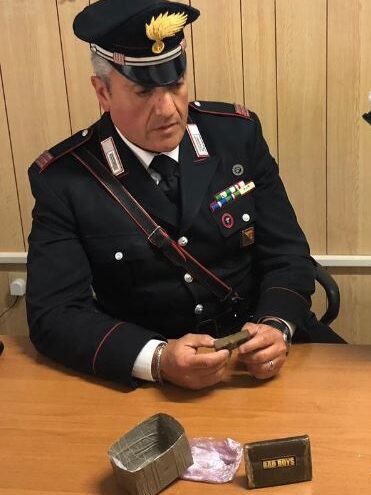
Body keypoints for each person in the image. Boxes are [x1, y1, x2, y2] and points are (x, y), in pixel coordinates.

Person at [26, 0, 341, 391]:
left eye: (175, 84)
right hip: (156, 379)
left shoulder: (235, 136)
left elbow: (287, 254)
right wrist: (156, 359)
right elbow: (55, 313)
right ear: (102, 91)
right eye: (143, 91)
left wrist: (276, 325)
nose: (168, 109)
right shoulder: (66, 178)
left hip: (258, 353)